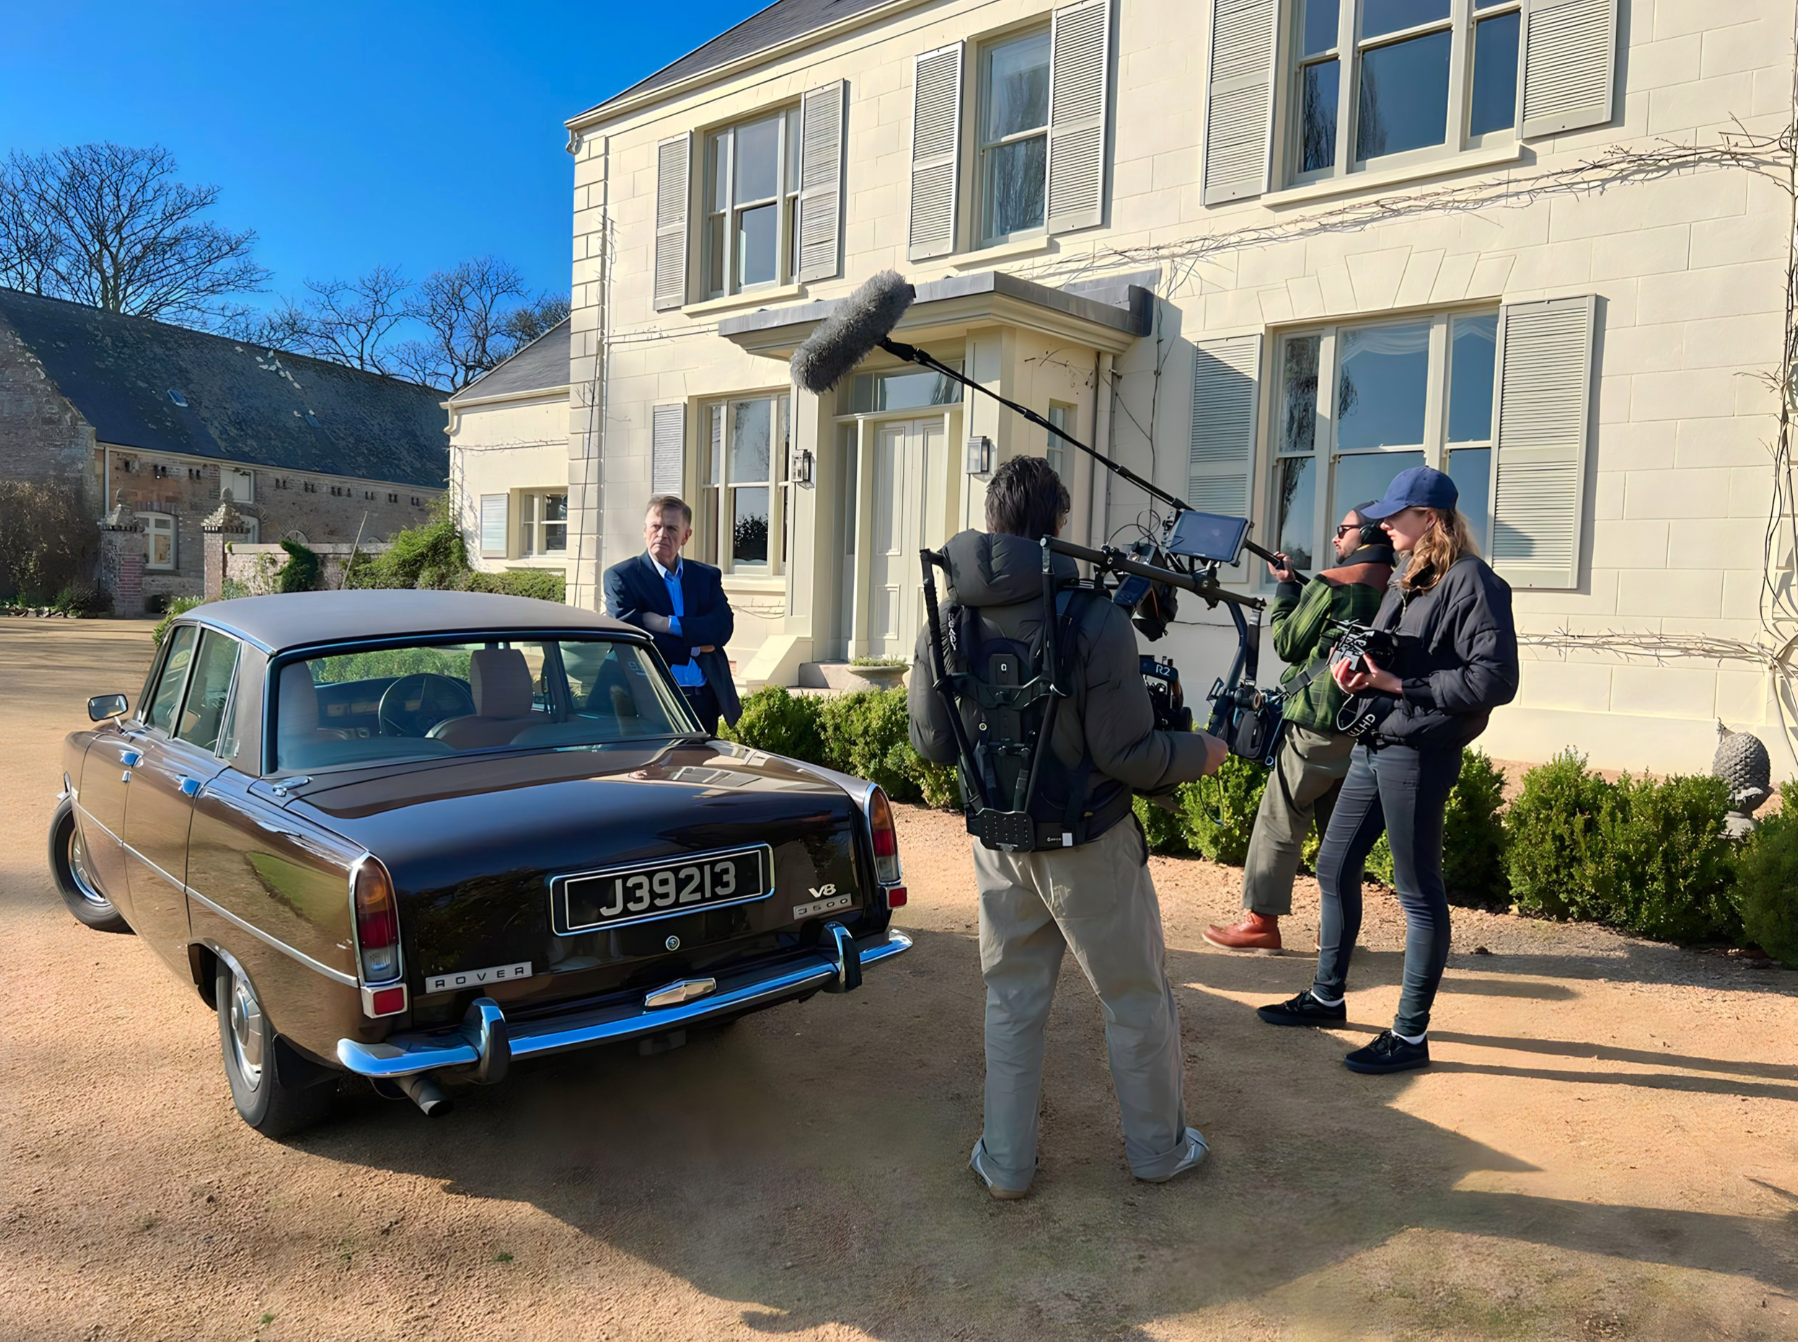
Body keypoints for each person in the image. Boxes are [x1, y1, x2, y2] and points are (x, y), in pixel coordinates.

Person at [908, 456, 1229, 1199]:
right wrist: (1202, 751)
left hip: (999, 843)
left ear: (992, 521)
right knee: (1135, 999)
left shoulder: (946, 613)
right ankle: (1158, 1153)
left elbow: (931, 742)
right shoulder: (1095, 616)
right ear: (1057, 523)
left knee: (1012, 1003)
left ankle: (1006, 1165)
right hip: (1090, 844)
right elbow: (1131, 755)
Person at [1256, 465, 1518, 1074]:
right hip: (1377, 742)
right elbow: (1383, 650)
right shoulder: (1408, 578)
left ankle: (1409, 1036)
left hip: (1420, 752)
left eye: (1396, 515)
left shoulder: (1473, 581)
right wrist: (1355, 668)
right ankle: (1327, 997)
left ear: (1430, 519)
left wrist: (1399, 683)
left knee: (1418, 894)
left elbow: (1495, 679)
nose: (1384, 524)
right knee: (1334, 863)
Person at [1204, 505, 1393, 953]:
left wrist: (1288, 589)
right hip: (1369, 725)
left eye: (1342, 530)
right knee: (1339, 836)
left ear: (1363, 534)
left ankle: (1260, 922)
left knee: (1280, 819)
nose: (1334, 538)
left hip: (1317, 724)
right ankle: (1337, 934)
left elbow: (1288, 643)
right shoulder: (1401, 588)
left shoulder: (1332, 583)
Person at [603, 494, 742, 735]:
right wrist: (695, 647)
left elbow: (721, 627)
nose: (662, 534)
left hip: (703, 702)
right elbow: (631, 635)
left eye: (671, 528)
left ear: (686, 536)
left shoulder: (706, 577)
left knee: (699, 772)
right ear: (645, 530)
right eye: (655, 526)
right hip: (650, 702)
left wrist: (668, 624)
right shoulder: (622, 577)